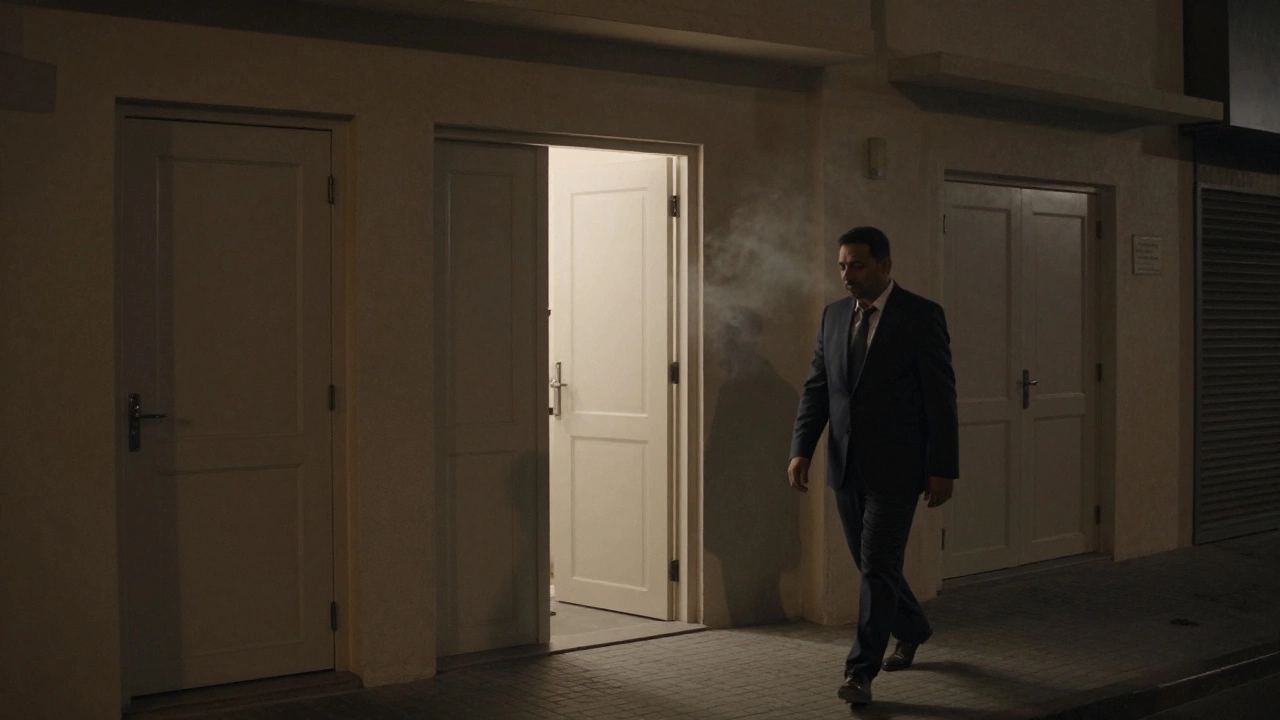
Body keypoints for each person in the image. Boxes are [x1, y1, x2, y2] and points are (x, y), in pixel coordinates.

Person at [787, 226, 959, 706]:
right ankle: (915, 627)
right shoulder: (834, 316)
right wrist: (801, 447)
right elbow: (819, 387)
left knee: (879, 566)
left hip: (899, 468)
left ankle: (859, 672)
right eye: (842, 266)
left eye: (857, 266)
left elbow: (940, 397)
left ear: (885, 265)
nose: (847, 275)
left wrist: (943, 466)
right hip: (846, 466)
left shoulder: (921, 317)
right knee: (871, 564)